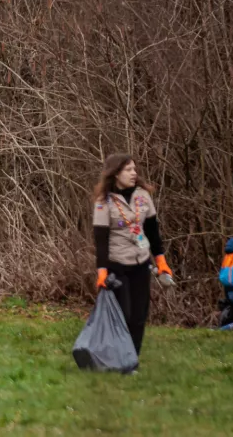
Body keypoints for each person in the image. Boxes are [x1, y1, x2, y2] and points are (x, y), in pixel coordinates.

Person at [92, 154, 173, 365]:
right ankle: (117, 357)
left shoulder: (143, 196)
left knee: (139, 316)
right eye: (128, 170)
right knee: (123, 315)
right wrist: (102, 272)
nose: (134, 173)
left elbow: (153, 232)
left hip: (141, 263)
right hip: (117, 265)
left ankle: (131, 360)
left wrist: (161, 262)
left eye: (134, 169)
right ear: (116, 173)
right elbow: (101, 239)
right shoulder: (104, 202)